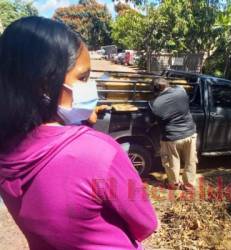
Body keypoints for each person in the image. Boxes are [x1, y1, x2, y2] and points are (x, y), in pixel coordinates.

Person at [0, 17, 158, 250]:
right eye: (83, 77)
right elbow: (146, 224)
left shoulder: (7, 149)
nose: (90, 86)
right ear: (45, 85)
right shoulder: (99, 153)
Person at [149, 78, 198, 191]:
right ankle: (189, 186)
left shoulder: (154, 104)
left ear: (155, 90)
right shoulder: (181, 90)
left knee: (172, 162)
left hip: (171, 137)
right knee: (190, 161)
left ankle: (174, 184)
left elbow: (152, 120)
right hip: (190, 133)